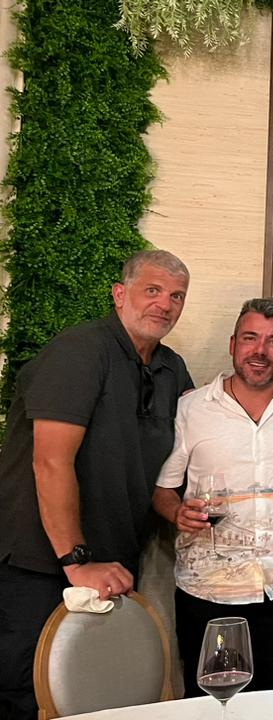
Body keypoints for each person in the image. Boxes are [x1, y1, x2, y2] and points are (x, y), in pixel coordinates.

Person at [0, 250, 192, 720]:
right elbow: (50, 461)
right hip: (40, 563)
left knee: (100, 698)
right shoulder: (80, 351)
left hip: (112, 565)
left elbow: (194, 438)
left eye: (176, 296)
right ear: (119, 294)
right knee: (30, 695)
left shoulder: (171, 369)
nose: (164, 304)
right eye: (152, 290)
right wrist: (76, 560)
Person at [152, 298, 273, 695]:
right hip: (208, 592)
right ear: (233, 344)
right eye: (251, 338)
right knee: (211, 704)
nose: (260, 350)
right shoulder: (190, 409)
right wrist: (177, 512)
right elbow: (163, 488)